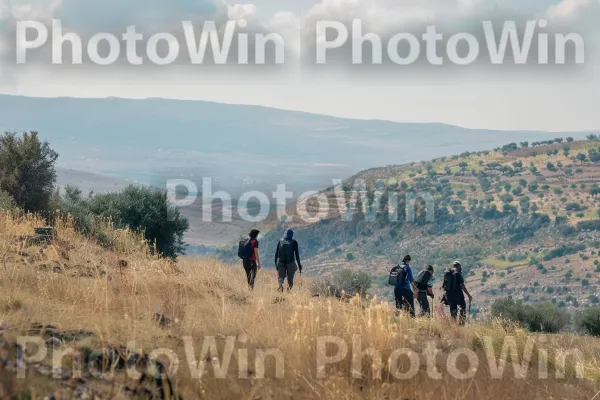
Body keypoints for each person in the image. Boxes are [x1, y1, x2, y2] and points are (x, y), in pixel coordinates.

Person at [442, 261, 472, 325]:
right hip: (458, 295)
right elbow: (462, 286)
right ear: (458, 266)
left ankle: (453, 326)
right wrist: (468, 295)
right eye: (460, 266)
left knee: (453, 311)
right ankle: (461, 325)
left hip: (449, 296)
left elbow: (444, 286)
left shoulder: (447, 273)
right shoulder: (458, 274)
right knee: (463, 308)